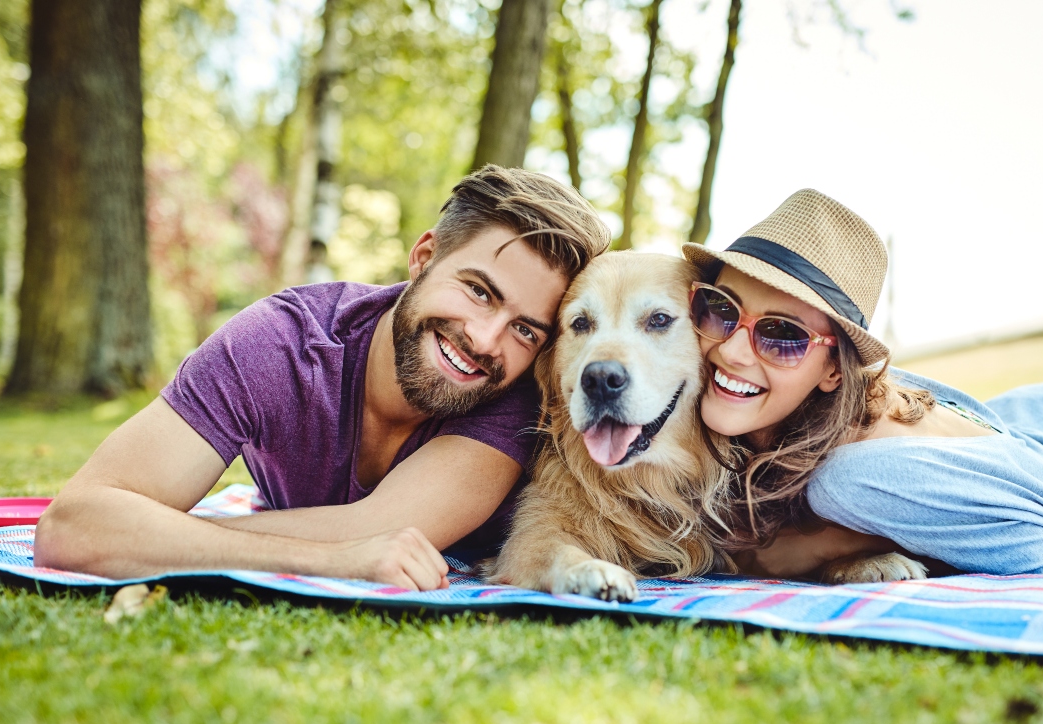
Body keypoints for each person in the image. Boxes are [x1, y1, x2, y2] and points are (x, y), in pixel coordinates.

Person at [34, 166, 611, 589]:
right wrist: (332, 557)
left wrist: (160, 534)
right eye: (479, 291)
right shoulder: (280, 345)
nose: (486, 342)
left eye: (526, 329)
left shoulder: (513, 392)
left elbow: (383, 530)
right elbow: (73, 528)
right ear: (424, 257)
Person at [681, 189, 1043, 578]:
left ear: (834, 370)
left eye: (782, 336)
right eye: (718, 309)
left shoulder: (852, 479)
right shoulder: (844, 405)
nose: (730, 348)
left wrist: (816, 546)